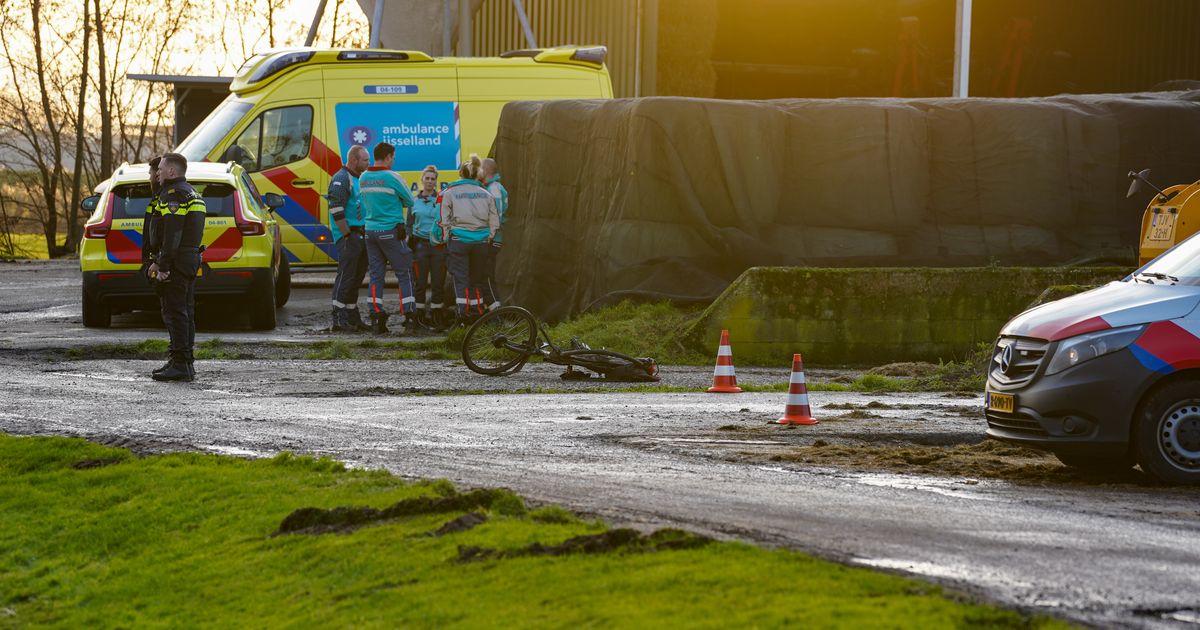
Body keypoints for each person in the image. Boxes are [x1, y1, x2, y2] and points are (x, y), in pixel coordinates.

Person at [152, 153, 206, 382]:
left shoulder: (173, 195)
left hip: (177, 261)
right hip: (189, 258)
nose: (157, 172)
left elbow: (172, 234)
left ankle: (181, 364)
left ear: (172, 171)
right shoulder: (193, 193)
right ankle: (183, 361)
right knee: (185, 312)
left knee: (174, 313)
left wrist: (163, 264)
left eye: (160, 168)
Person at [359, 142, 416, 334]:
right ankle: (409, 316)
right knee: (404, 273)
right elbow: (410, 201)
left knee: (376, 275)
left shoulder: (363, 177)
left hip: (370, 231)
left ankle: (376, 316)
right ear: (389, 156)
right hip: (391, 231)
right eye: (393, 157)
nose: (394, 160)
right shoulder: (392, 177)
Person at [439, 154, 499, 324]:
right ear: (477, 174)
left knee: (461, 280)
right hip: (481, 243)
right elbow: (494, 221)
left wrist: (446, 238)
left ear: (461, 173)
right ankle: (477, 313)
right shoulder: (486, 193)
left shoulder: (450, 192)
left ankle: (462, 316)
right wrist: (488, 237)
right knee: (477, 280)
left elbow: (444, 220)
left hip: (459, 241)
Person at [327, 144, 370, 332]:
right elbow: (336, 208)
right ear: (354, 160)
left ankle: (352, 316)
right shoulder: (341, 178)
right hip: (349, 236)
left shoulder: (357, 178)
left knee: (356, 277)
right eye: (365, 160)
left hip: (359, 234)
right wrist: (347, 234)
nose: (368, 163)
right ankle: (339, 318)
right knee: (346, 276)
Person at [407, 165, 448, 329]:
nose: (430, 181)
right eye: (427, 178)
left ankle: (437, 316)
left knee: (438, 284)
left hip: (438, 247)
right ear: (422, 180)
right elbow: (409, 224)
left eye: (433, 179)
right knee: (420, 284)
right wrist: (409, 244)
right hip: (420, 247)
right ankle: (419, 316)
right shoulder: (413, 201)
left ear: (436, 181)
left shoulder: (441, 201)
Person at [480, 157, 508, 311]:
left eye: (480, 168)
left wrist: (489, 237)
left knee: (486, 277)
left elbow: (496, 215)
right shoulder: (491, 187)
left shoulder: (494, 189)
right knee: (484, 276)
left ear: (486, 170)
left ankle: (496, 315)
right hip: (491, 238)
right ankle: (489, 311)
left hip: (492, 239)